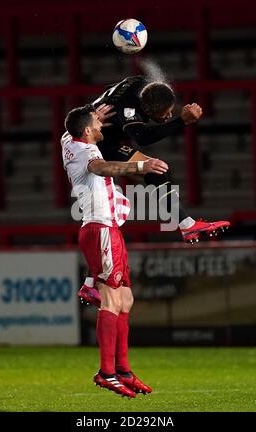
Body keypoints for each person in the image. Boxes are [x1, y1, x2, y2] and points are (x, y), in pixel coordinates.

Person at [75, 75, 229, 307]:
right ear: (146, 109)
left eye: (171, 111)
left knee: (109, 217)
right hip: (96, 145)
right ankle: (186, 226)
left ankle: (90, 282)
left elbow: (112, 89)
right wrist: (181, 121)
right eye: (163, 114)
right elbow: (144, 137)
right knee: (106, 215)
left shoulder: (142, 83)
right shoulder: (128, 112)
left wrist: (93, 109)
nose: (168, 115)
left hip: (98, 136)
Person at [62, 104, 168, 397]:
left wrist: (94, 110)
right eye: (97, 123)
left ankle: (123, 370)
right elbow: (100, 167)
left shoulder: (69, 141)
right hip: (100, 229)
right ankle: (106, 373)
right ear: (86, 131)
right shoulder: (88, 153)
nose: (101, 126)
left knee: (125, 299)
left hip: (109, 230)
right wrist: (140, 166)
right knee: (110, 299)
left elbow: (69, 129)